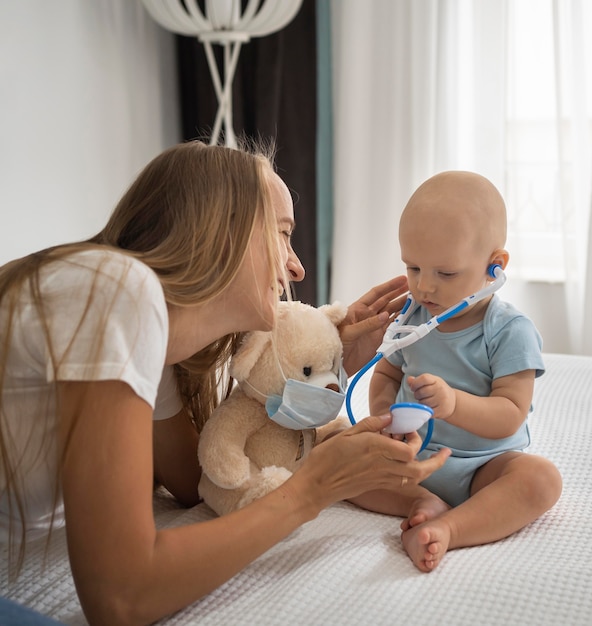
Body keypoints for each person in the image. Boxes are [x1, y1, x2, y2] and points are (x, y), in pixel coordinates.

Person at [0, 140, 450, 625]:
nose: (296, 267)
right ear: (220, 232)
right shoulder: (119, 293)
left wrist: (329, 356)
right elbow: (121, 598)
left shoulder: (147, 331)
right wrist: (314, 489)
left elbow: (192, 484)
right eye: (282, 234)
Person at [358, 170, 562, 573]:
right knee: (329, 448)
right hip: (409, 459)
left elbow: (509, 415)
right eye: (413, 268)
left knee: (541, 479)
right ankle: (421, 502)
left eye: (445, 273)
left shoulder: (508, 330)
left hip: (480, 468)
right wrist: (385, 419)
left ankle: (449, 527)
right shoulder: (411, 317)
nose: (424, 288)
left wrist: (453, 403)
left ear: (494, 267)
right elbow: (385, 376)